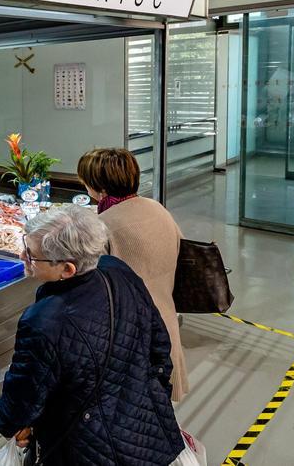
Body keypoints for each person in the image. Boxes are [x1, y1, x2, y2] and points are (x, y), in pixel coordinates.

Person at [0, 205, 184, 465]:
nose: (22, 256)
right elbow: (159, 345)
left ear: (68, 269)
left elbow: (22, 398)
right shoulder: (117, 271)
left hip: (85, 450)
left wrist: (13, 425)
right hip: (147, 435)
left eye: (31, 255)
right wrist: (154, 397)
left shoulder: (44, 322)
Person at [77, 147, 188, 401]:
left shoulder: (101, 226)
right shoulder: (157, 208)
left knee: (135, 422)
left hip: (128, 343)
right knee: (160, 416)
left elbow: (88, 287)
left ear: (98, 187)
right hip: (166, 328)